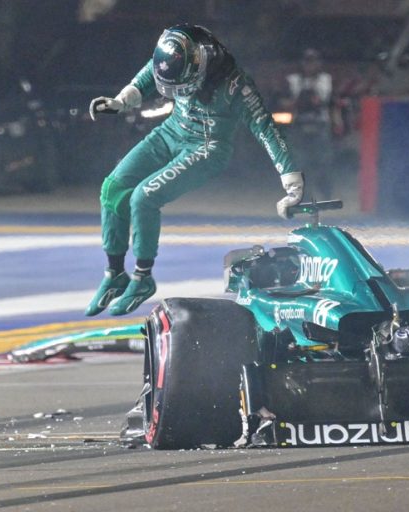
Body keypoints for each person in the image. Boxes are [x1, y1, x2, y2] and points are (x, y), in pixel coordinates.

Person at [85, 24, 304, 316]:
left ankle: (142, 277)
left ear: (202, 66)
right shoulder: (179, 53)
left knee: (143, 197)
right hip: (171, 131)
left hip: (207, 147)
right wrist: (122, 101)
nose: (177, 93)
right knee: (112, 187)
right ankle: (115, 274)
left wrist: (291, 181)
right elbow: (153, 71)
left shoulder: (236, 85)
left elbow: (266, 129)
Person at [282, 48, 336, 200]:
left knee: (323, 161)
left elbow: (327, 101)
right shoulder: (293, 80)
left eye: (313, 62)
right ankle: (303, 195)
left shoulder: (326, 80)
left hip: (320, 124)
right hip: (299, 125)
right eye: (307, 62)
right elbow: (284, 100)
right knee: (300, 162)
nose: (310, 66)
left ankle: (325, 192)